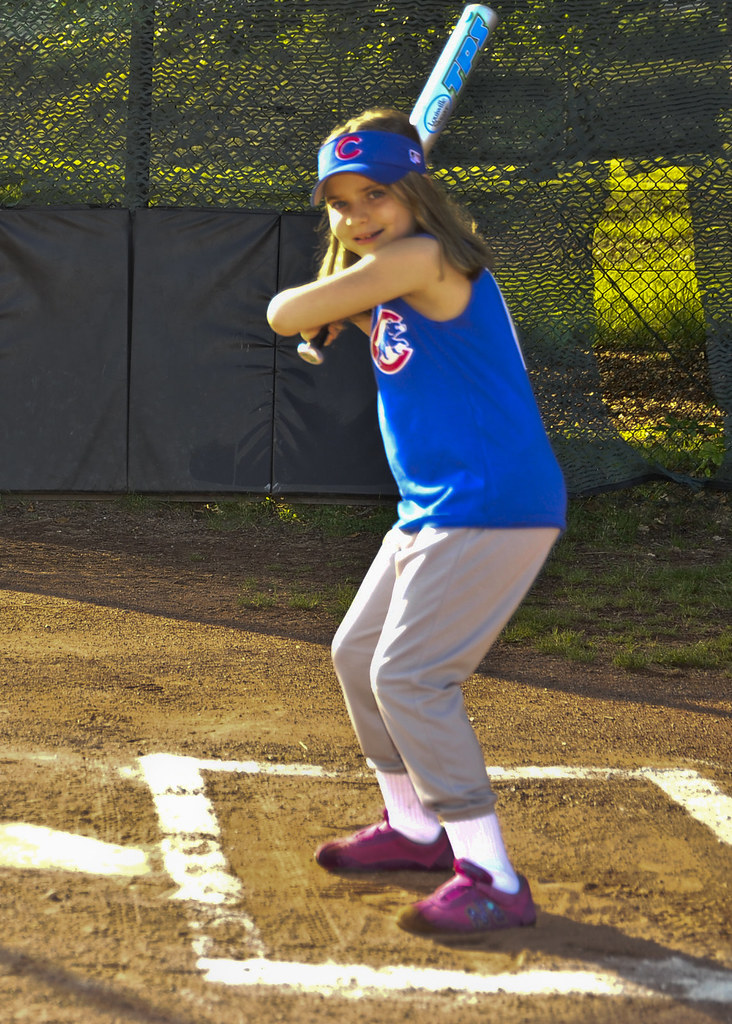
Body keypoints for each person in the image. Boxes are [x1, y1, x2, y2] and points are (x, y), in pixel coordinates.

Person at [266, 108, 567, 936]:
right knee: (358, 653)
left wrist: (322, 302)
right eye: (339, 203)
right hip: (435, 505)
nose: (357, 216)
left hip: (492, 502)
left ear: (416, 192)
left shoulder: (422, 255)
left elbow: (282, 313)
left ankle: (492, 875)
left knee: (409, 676)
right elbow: (413, 334)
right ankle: (413, 830)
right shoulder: (401, 275)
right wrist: (358, 313)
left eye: (376, 194)